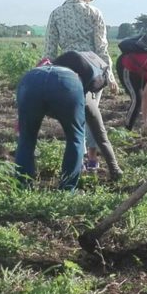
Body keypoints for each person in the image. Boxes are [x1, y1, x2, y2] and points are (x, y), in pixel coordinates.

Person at [43, 0, 119, 174]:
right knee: (93, 114)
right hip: (92, 69)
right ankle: (92, 159)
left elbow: (49, 51)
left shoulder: (56, 14)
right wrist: (109, 75)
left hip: (66, 67)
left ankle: (78, 158)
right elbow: (101, 47)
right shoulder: (94, 13)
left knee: (73, 116)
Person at [15, 51, 122, 190]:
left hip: (30, 79)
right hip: (65, 85)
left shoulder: (50, 66)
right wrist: (115, 168)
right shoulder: (79, 85)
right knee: (75, 138)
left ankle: (22, 186)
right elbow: (99, 132)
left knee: (26, 138)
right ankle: (67, 188)